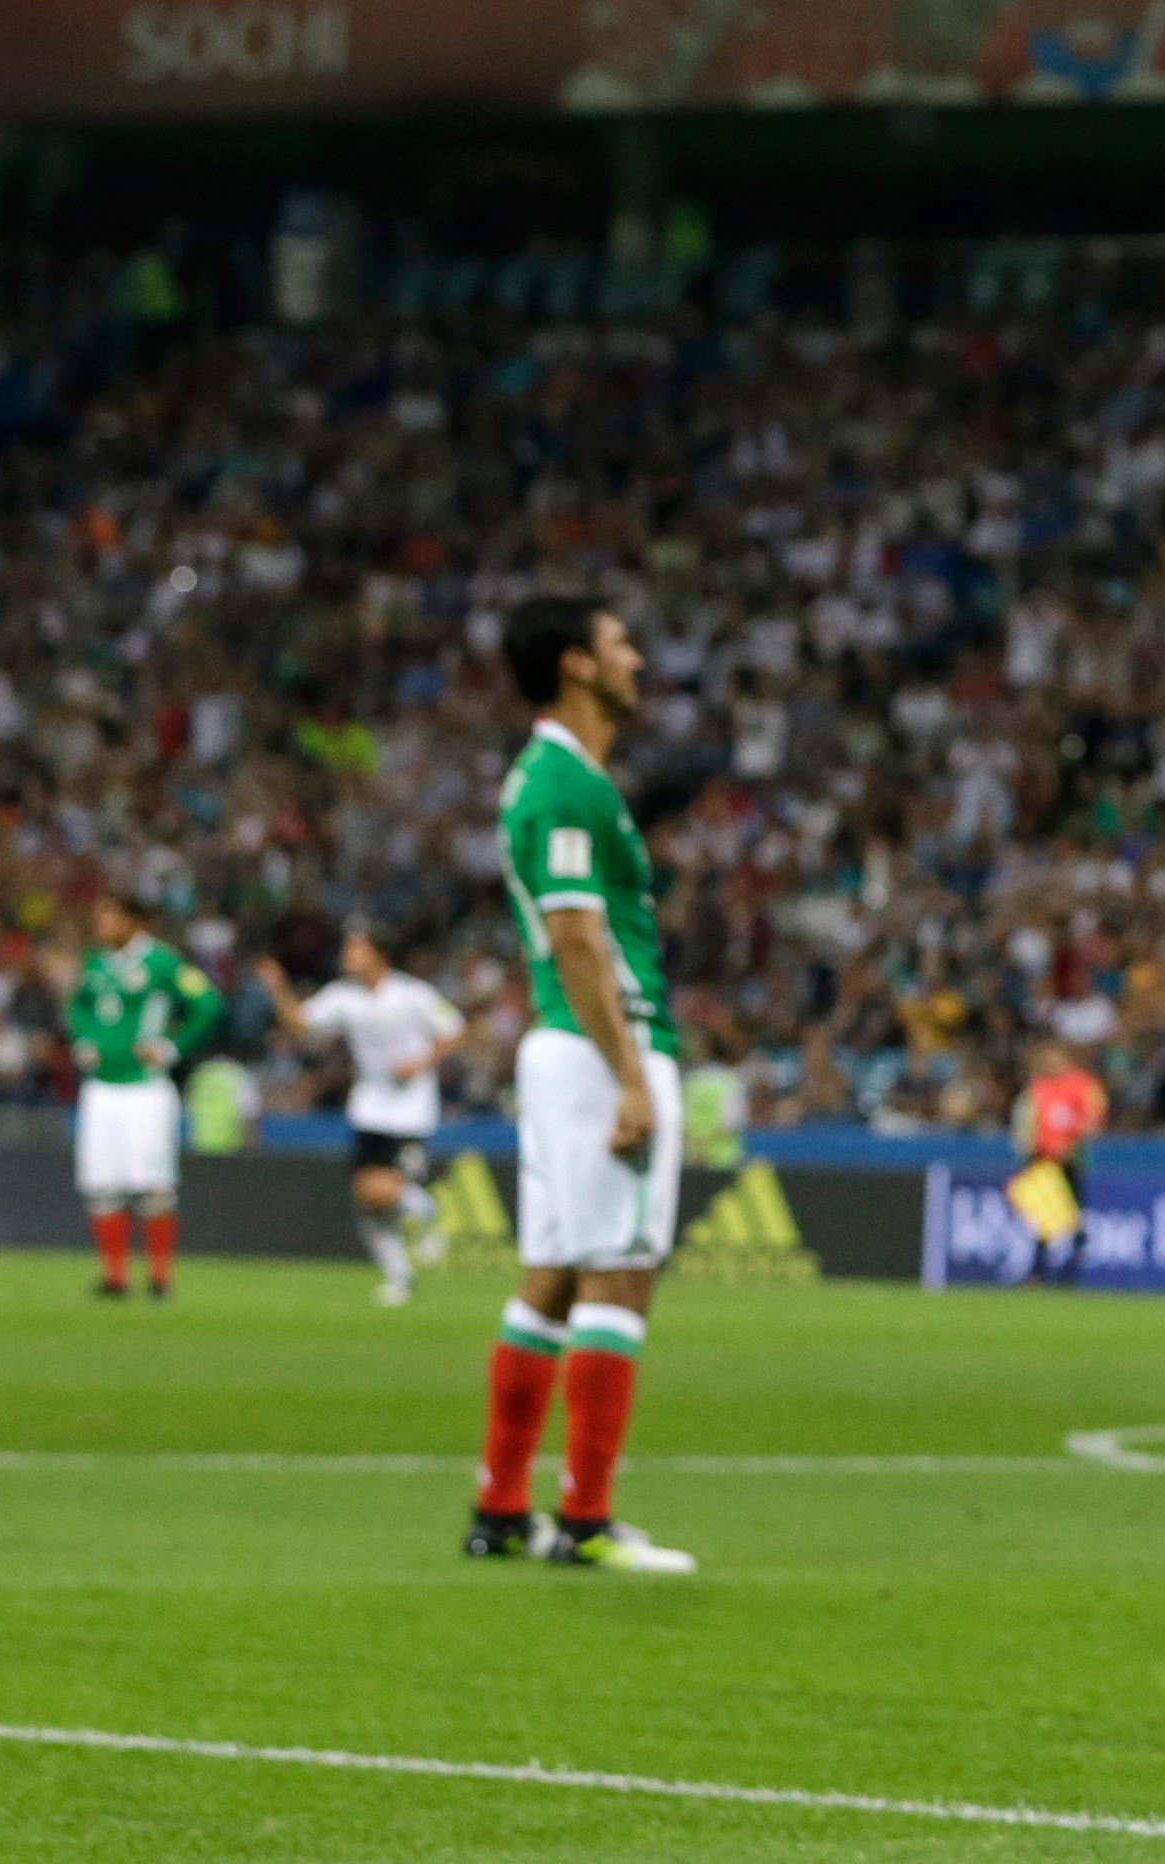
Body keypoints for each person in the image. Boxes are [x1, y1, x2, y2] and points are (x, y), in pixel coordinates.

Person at [467, 593, 695, 1575]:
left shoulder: (563, 779)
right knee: (619, 1270)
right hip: (600, 1044)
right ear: (576, 664)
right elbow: (573, 932)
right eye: (617, 645)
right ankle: (588, 1523)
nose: (636, 659)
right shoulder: (565, 784)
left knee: (552, 1276)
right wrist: (631, 1075)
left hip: (557, 1047)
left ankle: (502, 1508)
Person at [257, 931, 466, 1306]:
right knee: (366, 1199)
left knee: (381, 1188)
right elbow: (301, 1025)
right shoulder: (344, 997)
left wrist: (420, 1063)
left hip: (411, 1110)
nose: (347, 955)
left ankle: (432, 1215)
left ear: (380, 955)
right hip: (369, 1106)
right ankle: (399, 1277)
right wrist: (278, 987)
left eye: (356, 948)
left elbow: (454, 1029)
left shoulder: (412, 994)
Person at [68, 887, 222, 1301]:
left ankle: (159, 1278)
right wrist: (83, 1039)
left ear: (131, 921)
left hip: (145, 1089)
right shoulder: (96, 963)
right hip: (101, 1088)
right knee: (102, 1185)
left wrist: (171, 1046)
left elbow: (207, 1002)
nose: (99, 925)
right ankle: (115, 1277)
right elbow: (78, 1007)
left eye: (108, 917)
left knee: (154, 1186)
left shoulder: (162, 961)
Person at [1009, 1040, 1108, 1282]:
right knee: (1042, 1218)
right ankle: (1038, 1271)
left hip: (1070, 1161)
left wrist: (1073, 1142)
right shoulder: (1037, 1088)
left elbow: (1096, 1116)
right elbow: (1024, 1122)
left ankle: (1071, 1272)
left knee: (1071, 1216)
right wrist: (1027, 1146)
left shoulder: (1083, 1085)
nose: (1051, 1063)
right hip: (1043, 1161)